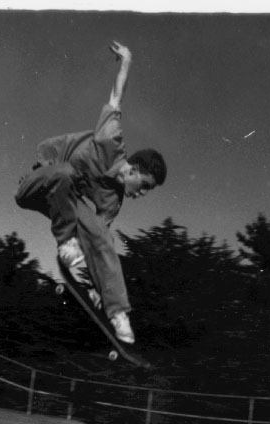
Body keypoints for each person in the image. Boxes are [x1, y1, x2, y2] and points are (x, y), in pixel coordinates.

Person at [15, 41, 167, 344]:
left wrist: (97, 287)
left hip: (64, 204)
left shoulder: (113, 201)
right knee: (65, 174)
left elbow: (98, 243)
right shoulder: (110, 140)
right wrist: (127, 61)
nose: (142, 194)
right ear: (133, 170)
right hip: (38, 182)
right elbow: (116, 97)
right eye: (145, 186)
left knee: (103, 236)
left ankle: (117, 311)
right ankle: (65, 242)